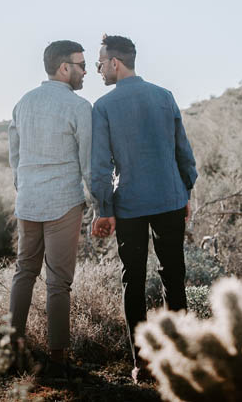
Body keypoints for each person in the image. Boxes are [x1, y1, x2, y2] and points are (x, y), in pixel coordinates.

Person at [89, 34, 198, 382]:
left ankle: (143, 365)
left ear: (115, 63)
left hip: (131, 204)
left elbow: (100, 167)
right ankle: (178, 357)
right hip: (170, 198)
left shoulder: (104, 107)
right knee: (174, 278)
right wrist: (186, 193)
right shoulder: (164, 97)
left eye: (100, 63)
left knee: (132, 282)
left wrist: (104, 207)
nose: (99, 70)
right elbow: (184, 152)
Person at [8, 40, 92, 375]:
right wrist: (99, 203)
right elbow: (87, 161)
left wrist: (24, 186)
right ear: (64, 68)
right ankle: (58, 359)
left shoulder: (23, 103)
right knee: (58, 282)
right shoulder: (79, 107)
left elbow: (14, 157)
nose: (86, 71)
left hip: (27, 201)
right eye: (81, 65)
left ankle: (13, 350)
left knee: (24, 273)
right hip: (64, 202)